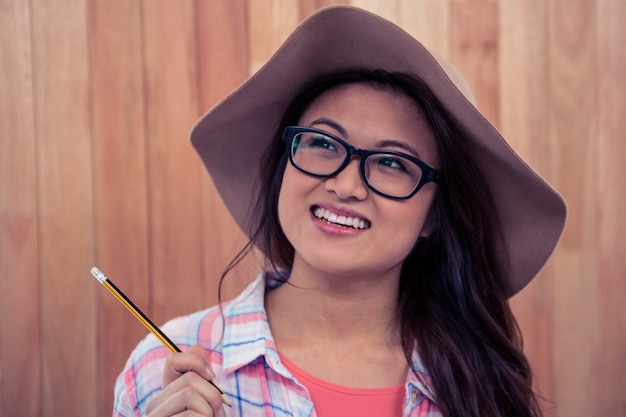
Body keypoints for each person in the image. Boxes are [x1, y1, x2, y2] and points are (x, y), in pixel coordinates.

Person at [113, 6, 566, 417]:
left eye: (392, 162)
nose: (345, 185)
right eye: (323, 143)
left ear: (434, 216)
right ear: (283, 163)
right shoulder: (163, 368)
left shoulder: (483, 387)